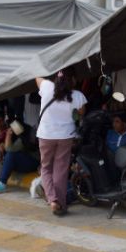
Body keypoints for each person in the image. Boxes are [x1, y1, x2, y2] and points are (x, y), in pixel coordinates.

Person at [35, 67, 88, 217]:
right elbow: (82, 112)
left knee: (46, 168)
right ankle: (61, 204)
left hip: (46, 135)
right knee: (61, 170)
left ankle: (52, 200)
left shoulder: (46, 86)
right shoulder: (77, 96)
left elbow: (36, 76)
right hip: (65, 136)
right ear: (73, 80)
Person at [0, 122, 41, 195]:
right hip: (25, 161)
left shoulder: (25, 135)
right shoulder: (21, 134)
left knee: (10, 155)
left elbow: (9, 148)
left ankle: (1, 183)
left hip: (33, 163)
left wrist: (8, 135)